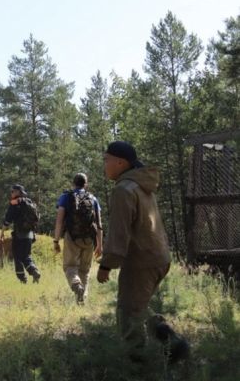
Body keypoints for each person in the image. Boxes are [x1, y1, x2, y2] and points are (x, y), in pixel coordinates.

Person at [97, 141, 188, 363]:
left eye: (106, 160)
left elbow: (120, 232)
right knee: (139, 306)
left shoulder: (124, 189)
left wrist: (106, 264)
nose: (105, 165)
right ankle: (173, 343)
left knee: (128, 314)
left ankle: (137, 366)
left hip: (141, 261)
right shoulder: (141, 185)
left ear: (120, 162)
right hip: (158, 257)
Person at [53, 173, 103, 304]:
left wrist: (56, 240)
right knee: (84, 270)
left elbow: (59, 221)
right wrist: (100, 244)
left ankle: (76, 285)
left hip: (72, 237)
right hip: (89, 239)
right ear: (86, 184)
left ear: (73, 183)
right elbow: (99, 224)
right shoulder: (93, 199)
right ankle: (81, 300)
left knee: (70, 266)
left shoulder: (66, 197)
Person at [0, 184, 41, 283]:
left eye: (13, 191)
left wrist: (2, 231)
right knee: (26, 255)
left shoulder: (15, 203)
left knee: (18, 256)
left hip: (19, 234)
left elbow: (8, 219)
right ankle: (33, 271)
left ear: (18, 192)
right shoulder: (29, 202)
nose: (11, 193)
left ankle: (24, 277)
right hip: (30, 234)